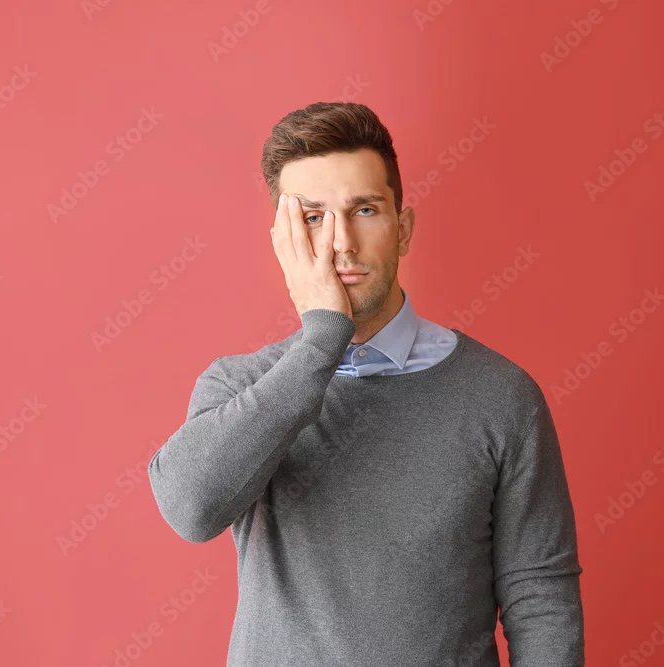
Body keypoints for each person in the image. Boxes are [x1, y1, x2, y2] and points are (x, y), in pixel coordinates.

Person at [147, 102, 584, 666]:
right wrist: (323, 339)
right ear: (283, 242)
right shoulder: (242, 385)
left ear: (403, 229)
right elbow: (191, 510)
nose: (341, 243)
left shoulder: (501, 396)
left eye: (365, 210)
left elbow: (541, 596)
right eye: (312, 217)